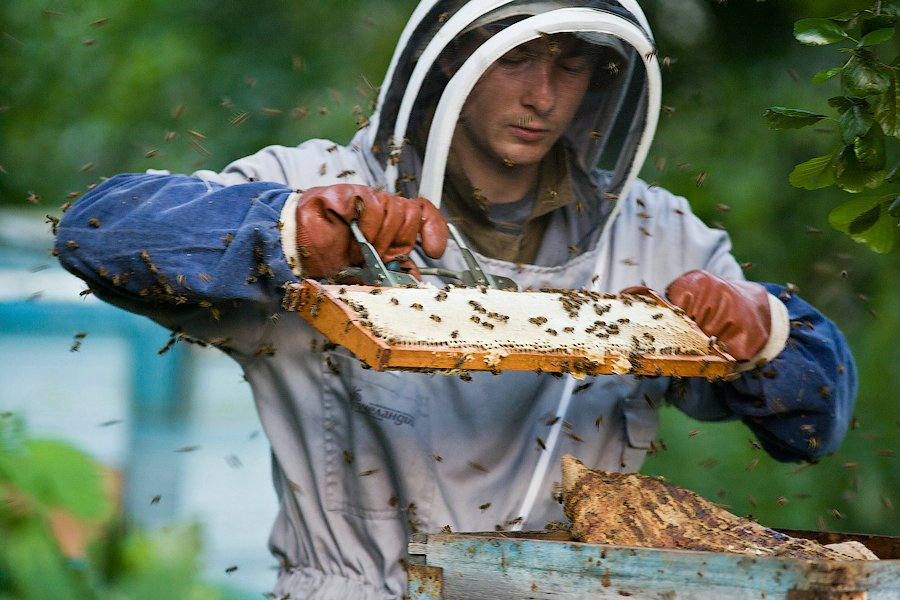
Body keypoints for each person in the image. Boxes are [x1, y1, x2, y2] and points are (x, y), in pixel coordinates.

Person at [56, 2, 856, 598]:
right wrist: (293, 234)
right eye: (520, 60)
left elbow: (815, 417)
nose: (544, 95)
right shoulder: (324, 186)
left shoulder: (652, 231)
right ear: (453, 61)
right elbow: (98, 227)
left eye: (571, 65)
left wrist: (762, 331)